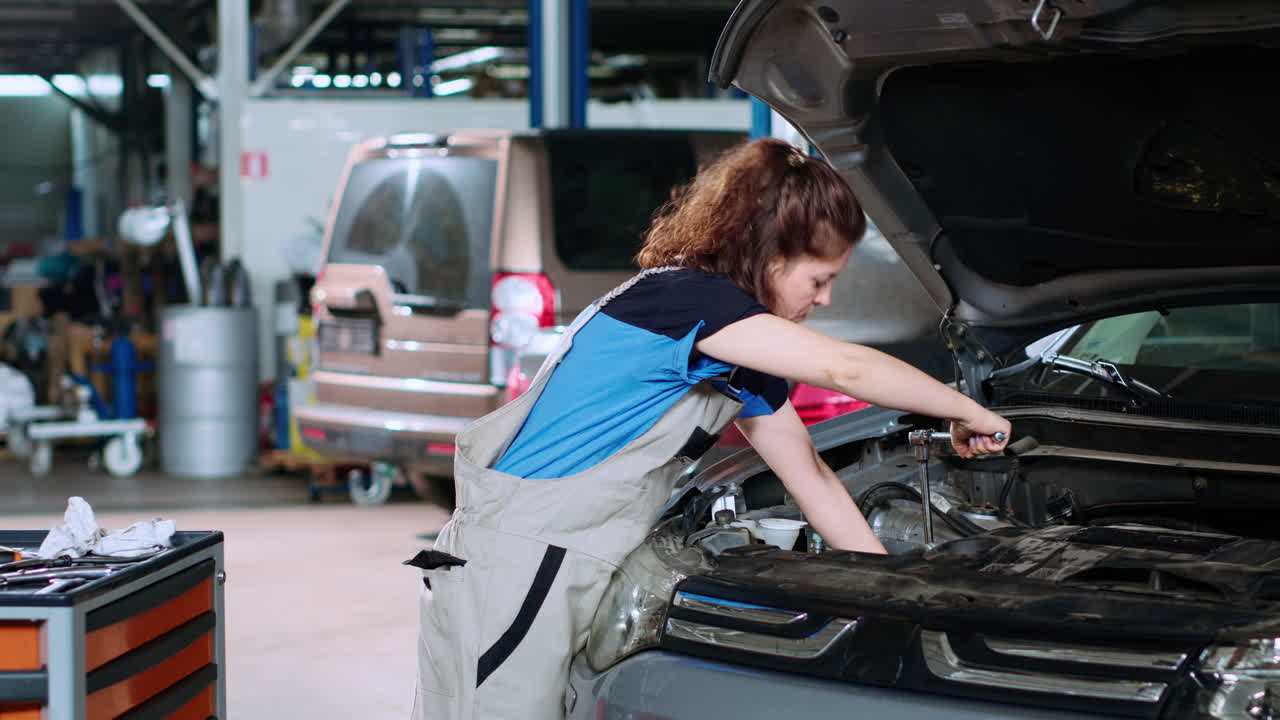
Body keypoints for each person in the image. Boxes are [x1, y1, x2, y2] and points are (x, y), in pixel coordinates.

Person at [410, 138, 1011, 720]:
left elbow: (812, 479)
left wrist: (893, 597)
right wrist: (966, 409)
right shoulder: (681, 302)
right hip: (518, 559)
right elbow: (847, 367)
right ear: (769, 256)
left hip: (565, 561)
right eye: (819, 279)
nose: (824, 299)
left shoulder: (736, 351)